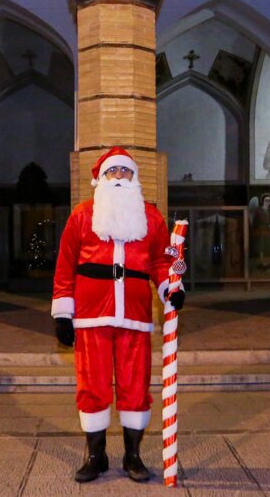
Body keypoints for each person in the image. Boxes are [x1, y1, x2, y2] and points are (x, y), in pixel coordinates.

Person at [51, 146, 185, 483]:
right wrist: (63, 313)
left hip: (135, 316)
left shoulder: (151, 217)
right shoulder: (82, 215)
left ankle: (133, 456)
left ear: (135, 177)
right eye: (114, 172)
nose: (120, 178)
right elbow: (65, 266)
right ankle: (96, 457)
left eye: (126, 172)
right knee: (92, 385)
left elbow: (159, 261)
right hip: (91, 316)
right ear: (101, 178)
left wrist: (170, 288)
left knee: (135, 386)